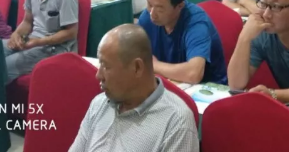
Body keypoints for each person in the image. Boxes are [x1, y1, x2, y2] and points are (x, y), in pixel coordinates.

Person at [69, 24, 199, 152]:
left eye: (106, 67)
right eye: (100, 65)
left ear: (137, 68)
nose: (98, 75)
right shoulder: (99, 104)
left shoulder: (176, 122)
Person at [4, 0, 79, 84]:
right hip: (33, 39)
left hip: (57, 47)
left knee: (3, 66)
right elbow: (27, 21)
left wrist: (38, 42)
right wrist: (16, 34)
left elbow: (71, 33)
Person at [139, 0, 227, 84]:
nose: (152, 14)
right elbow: (134, 50)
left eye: (160, 9)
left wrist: (154, 65)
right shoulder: (147, 16)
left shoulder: (196, 23)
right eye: (149, 4)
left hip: (207, 88)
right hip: (170, 83)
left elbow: (193, 74)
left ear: (180, 6)